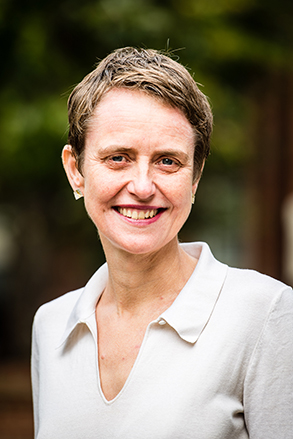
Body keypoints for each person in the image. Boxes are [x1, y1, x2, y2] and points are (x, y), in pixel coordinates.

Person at [31, 47, 293, 439]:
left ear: (196, 177)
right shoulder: (51, 326)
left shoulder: (266, 314)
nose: (141, 186)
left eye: (168, 161)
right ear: (76, 171)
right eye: (118, 157)